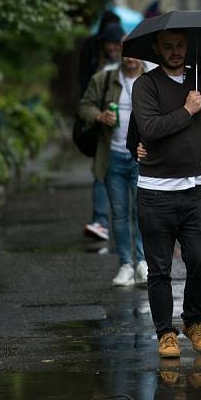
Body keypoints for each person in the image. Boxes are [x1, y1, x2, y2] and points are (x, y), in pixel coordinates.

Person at [128, 29, 201, 359]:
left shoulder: (200, 78)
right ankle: (165, 332)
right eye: (168, 47)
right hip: (154, 193)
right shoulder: (145, 85)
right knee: (160, 268)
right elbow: (148, 128)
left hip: (193, 189)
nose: (176, 52)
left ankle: (193, 321)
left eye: (181, 46)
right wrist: (188, 111)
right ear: (156, 49)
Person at [78, 47, 147, 286]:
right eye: (126, 52)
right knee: (119, 214)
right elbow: (84, 106)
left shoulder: (152, 80)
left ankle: (142, 262)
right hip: (113, 156)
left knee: (142, 212)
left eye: (135, 52)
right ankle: (125, 264)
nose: (130, 57)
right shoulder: (105, 79)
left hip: (142, 157)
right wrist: (99, 116)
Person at [81, 20, 126, 243]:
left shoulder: (138, 70)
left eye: (116, 43)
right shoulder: (100, 70)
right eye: (109, 43)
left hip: (133, 142)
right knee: (101, 177)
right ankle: (100, 221)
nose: (112, 48)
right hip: (106, 138)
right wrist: (99, 116)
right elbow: (85, 103)